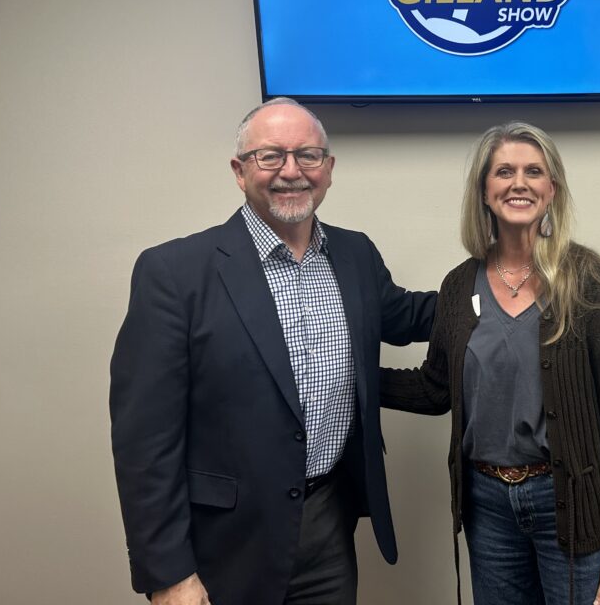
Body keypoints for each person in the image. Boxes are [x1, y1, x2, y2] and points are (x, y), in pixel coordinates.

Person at [110, 98, 435, 605]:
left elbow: (411, 315)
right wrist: (169, 575)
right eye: (270, 156)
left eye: (307, 155)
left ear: (328, 169)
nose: (291, 171)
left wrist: (500, 286)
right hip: (226, 543)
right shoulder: (174, 273)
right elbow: (145, 443)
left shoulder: (355, 254)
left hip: (328, 525)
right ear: (239, 171)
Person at [381, 122, 600, 605]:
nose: (518, 183)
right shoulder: (459, 285)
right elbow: (436, 388)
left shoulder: (591, 283)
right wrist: (354, 381)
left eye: (534, 172)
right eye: (504, 172)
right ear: (485, 192)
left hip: (570, 503)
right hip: (487, 506)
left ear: (552, 190)